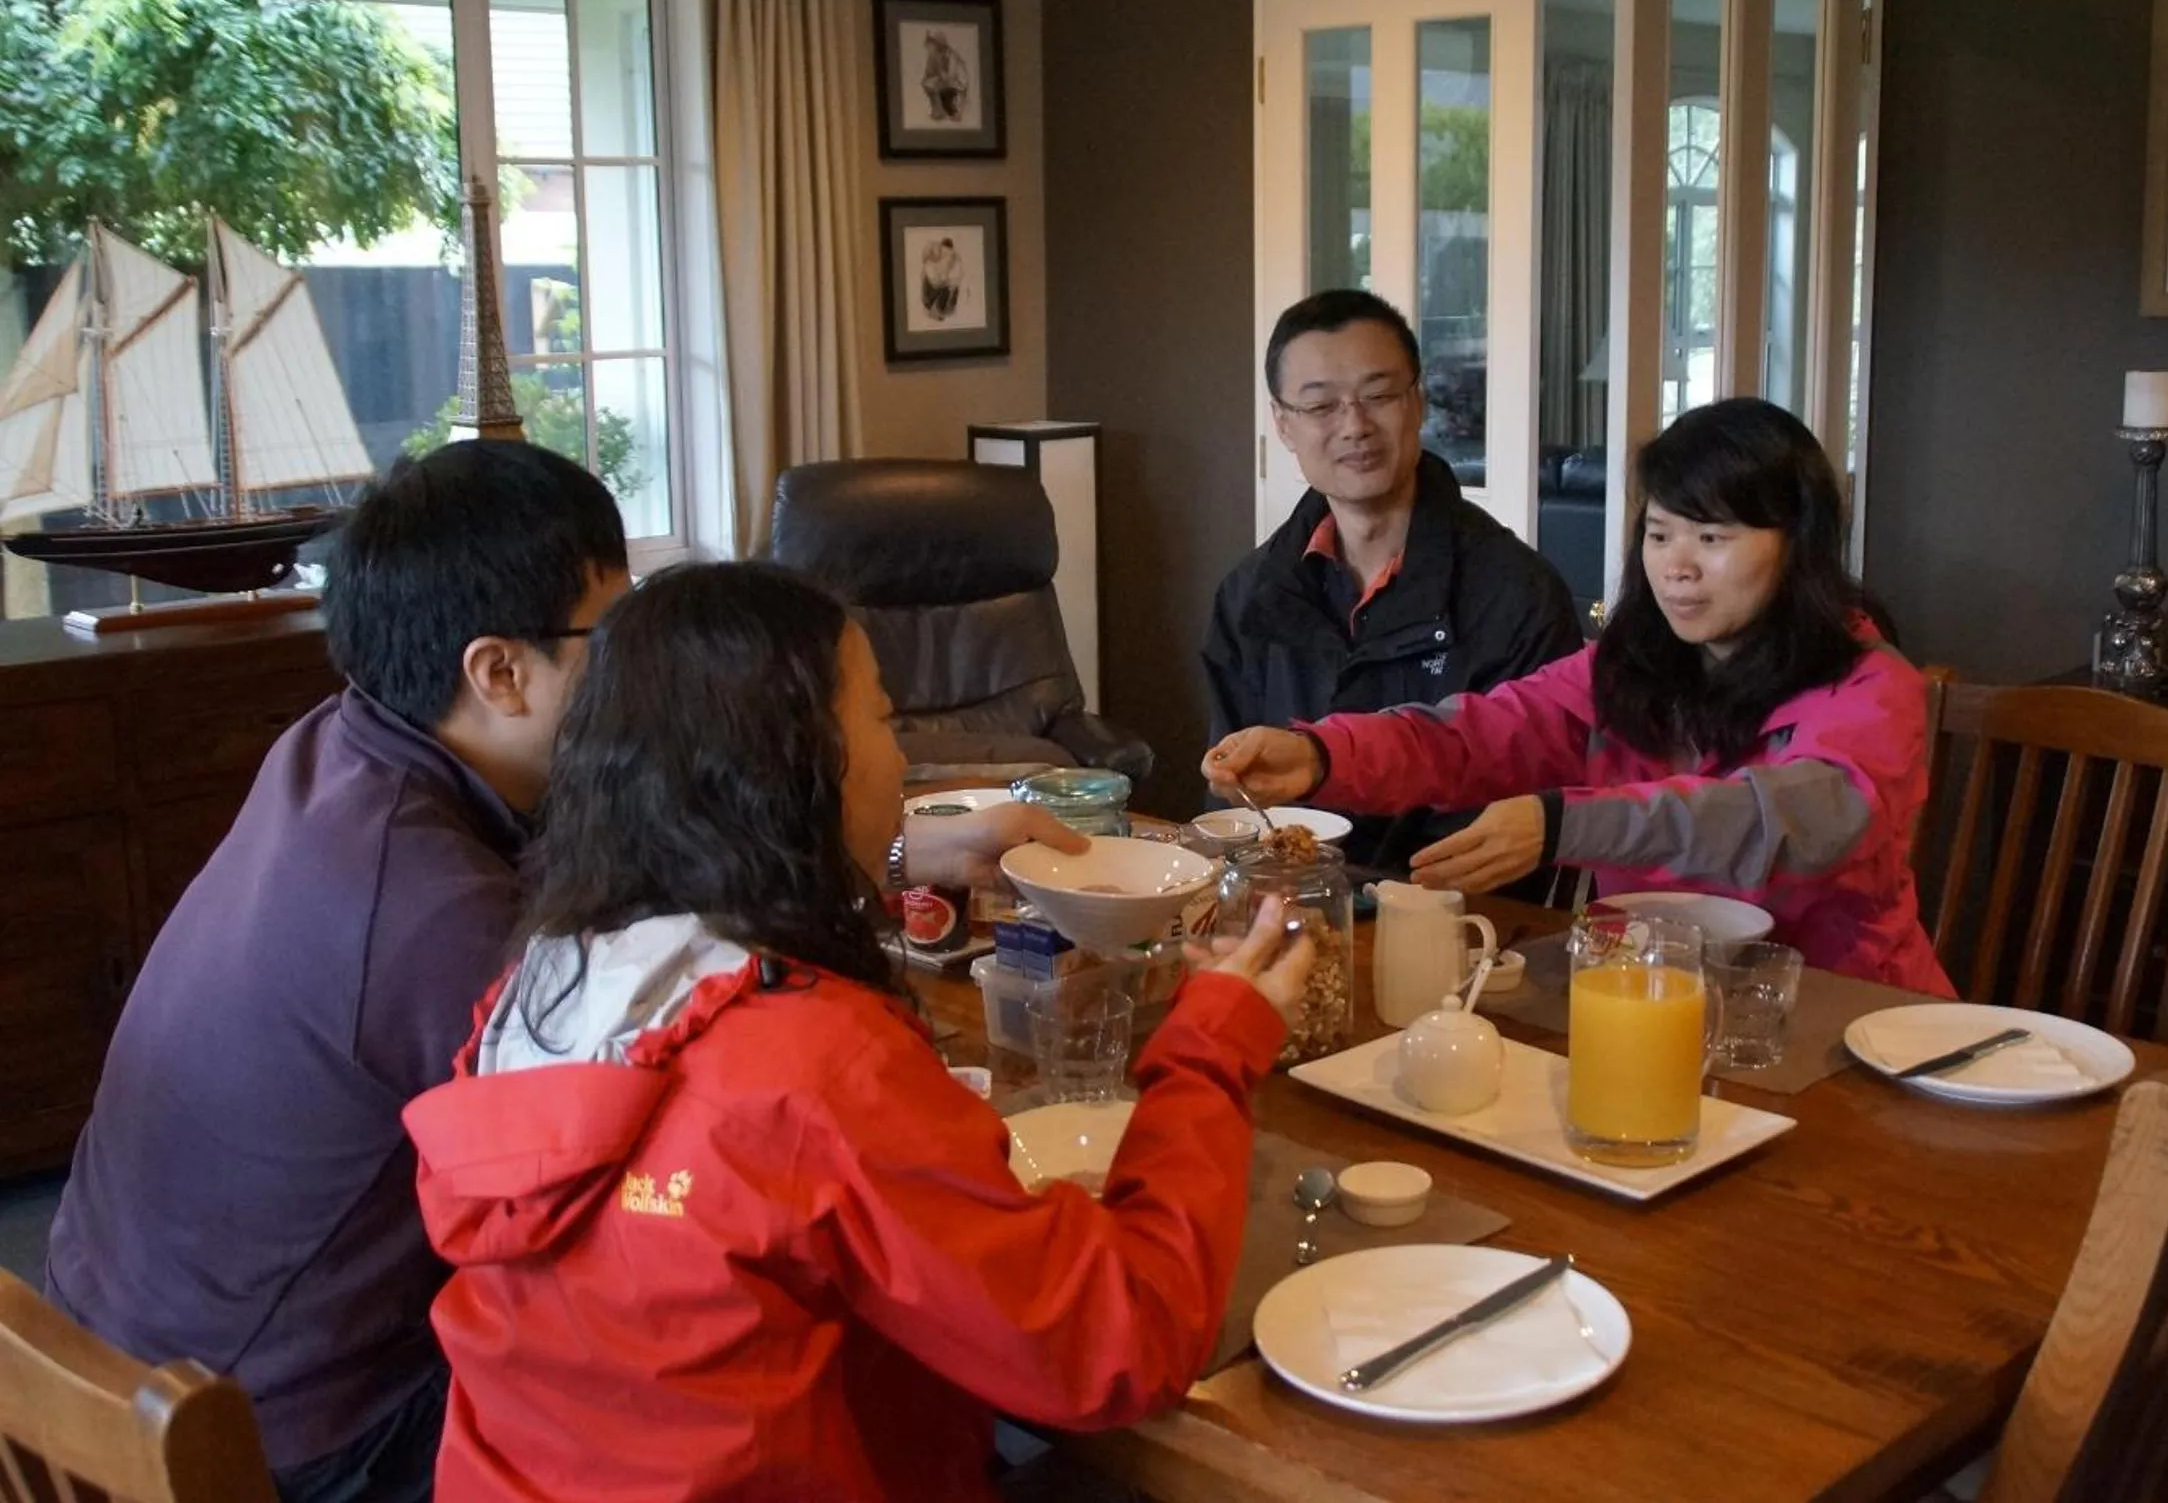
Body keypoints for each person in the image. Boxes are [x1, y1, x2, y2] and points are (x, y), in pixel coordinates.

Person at [43, 443, 1077, 1503]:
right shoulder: (441, 916)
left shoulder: (346, 748)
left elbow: (631, 874)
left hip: (123, 1324)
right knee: (809, 1304)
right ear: (497, 670)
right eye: (612, 632)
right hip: (305, 1426)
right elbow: (699, 1146)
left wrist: (893, 848)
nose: (640, 667)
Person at [403, 561, 1314, 1502]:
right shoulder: (811, 1065)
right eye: (881, 720)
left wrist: (888, 852)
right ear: (800, 765)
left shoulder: (541, 988)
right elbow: (1119, 1348)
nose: (900, 761)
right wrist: (1209, 1048)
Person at [1207, 398, 1952, 995]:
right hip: (1643, 999)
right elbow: (1478, 732)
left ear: (1798, 544)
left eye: (1712, 538)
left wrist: (1567, 822)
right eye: (1660, 535)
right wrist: (1320, 752)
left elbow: (1774, 821)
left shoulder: (1872, 687)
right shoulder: (1628, 669)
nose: (1677, 568)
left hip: (1837, 1018)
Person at [1203, 288, 1583, 875]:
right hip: (1284, 904)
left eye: (1379, 395)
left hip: (1457, 920)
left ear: (1418, 402)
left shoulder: (1517, 593)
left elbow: (1529, 809)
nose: (1355, 425)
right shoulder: (1250, 596)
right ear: (1282, 423)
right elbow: (1233, 796)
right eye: (1322, 406)